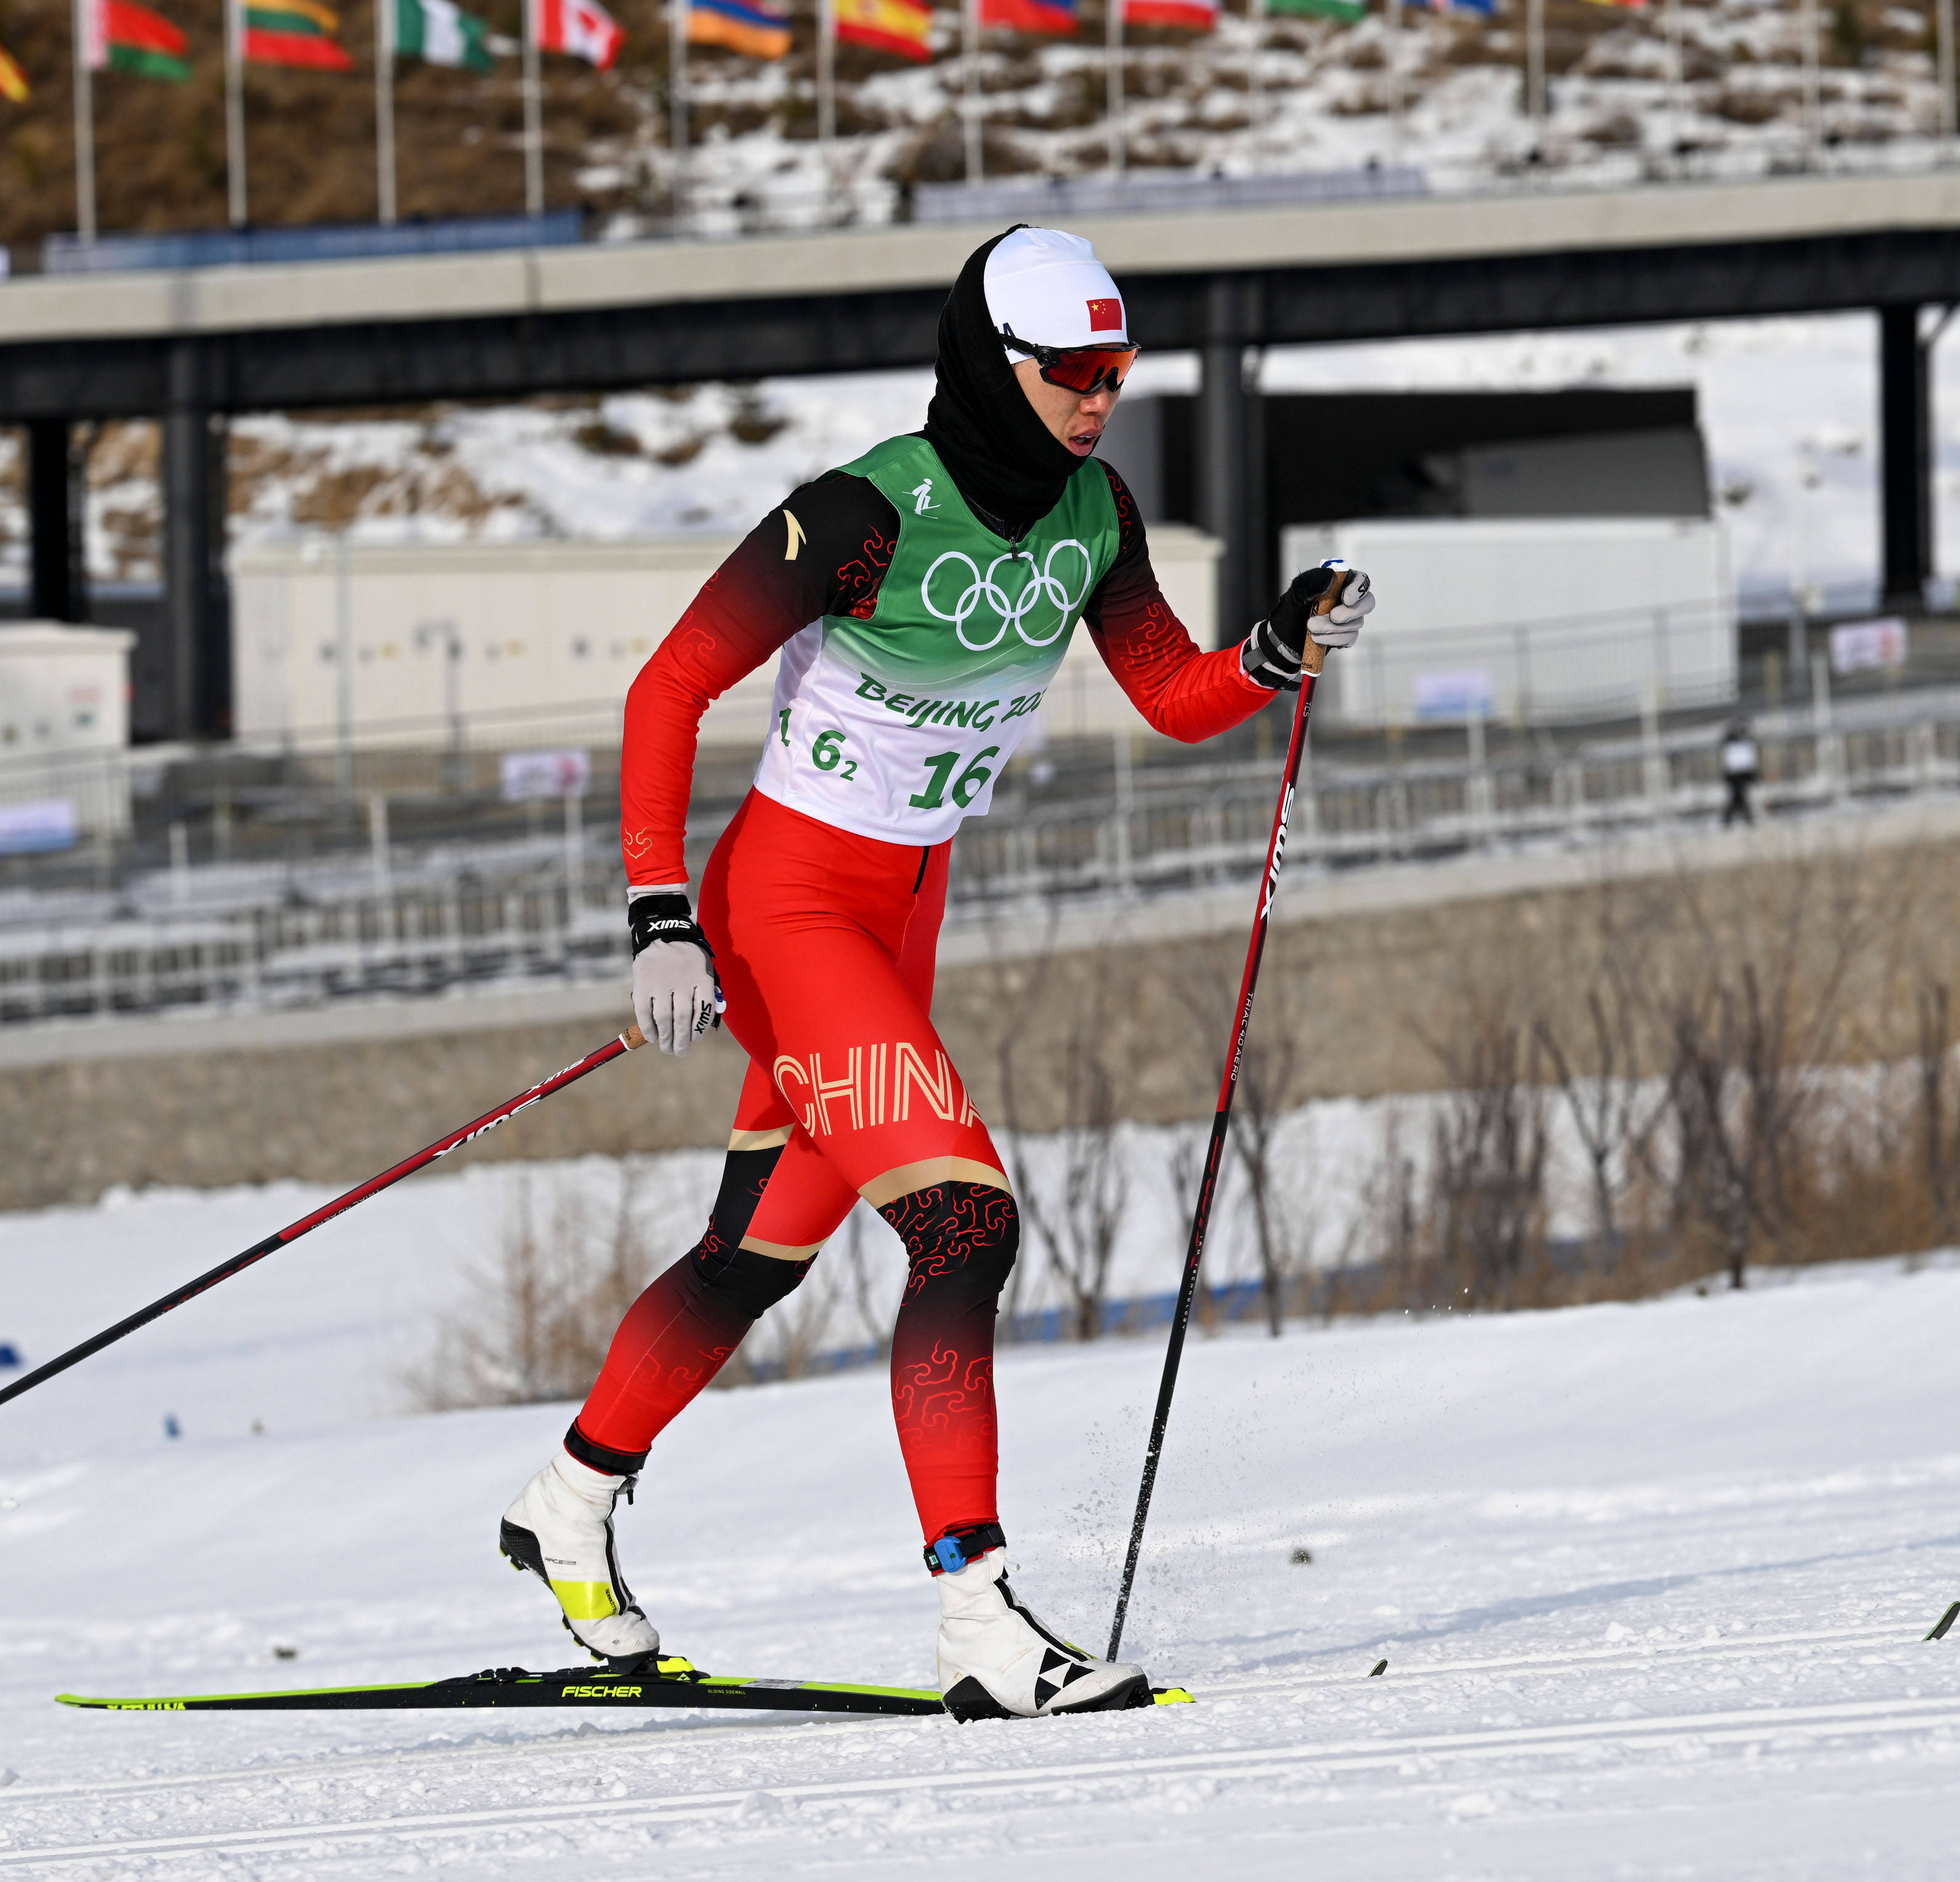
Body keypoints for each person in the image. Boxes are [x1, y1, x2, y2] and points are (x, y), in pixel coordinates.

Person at [496, 227, 1376, 1721]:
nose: (1100, 401)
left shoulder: (1095, 512)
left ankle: (564, 1503)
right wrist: (660, 916)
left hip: (902, 917)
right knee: (965, 1226)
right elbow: (668, 684)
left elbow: (1169, 694)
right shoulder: (863, 512)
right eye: (1071, 375)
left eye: (1118, 374)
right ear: (993, 362)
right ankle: (979, 1620)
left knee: (753, 1260)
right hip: (786, 906)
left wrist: (1275, 650)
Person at [1718, 718, 1761, 828]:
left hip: (1739, 774)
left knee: (1739, 796)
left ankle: (1736, 818)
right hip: (1735, 775)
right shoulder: (1733, 742)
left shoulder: (1741, 742)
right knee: (1738, 796)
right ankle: (1744, 818)